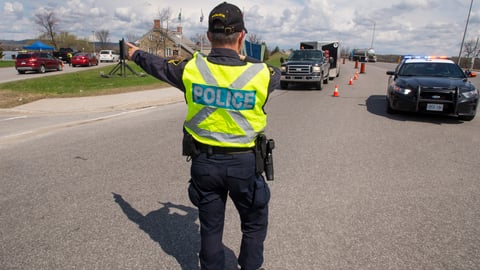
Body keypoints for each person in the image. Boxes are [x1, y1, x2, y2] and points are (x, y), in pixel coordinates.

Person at [126, 2, 280, 269]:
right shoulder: (262, 73)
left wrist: (136, 54)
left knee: (210, 227)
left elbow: (158, 65)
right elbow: (276, 75)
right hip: (245, 165)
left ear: (209, 36)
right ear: (242, 36)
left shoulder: (191, 69)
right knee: (254, 224)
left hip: (205, 165)